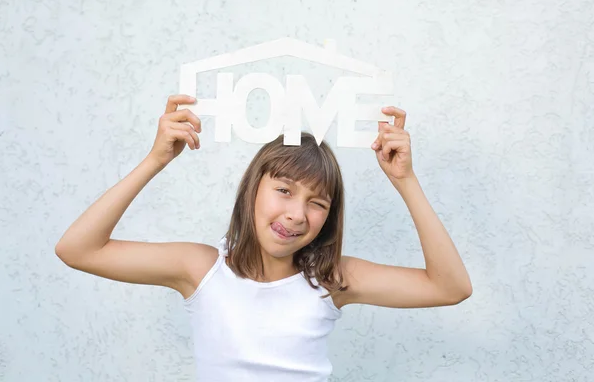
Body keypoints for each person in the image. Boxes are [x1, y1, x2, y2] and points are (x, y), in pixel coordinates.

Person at [56, 94, 472, 382]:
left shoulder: (330, 279)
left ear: (328, 218)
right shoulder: (200, 269)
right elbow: (77, 249)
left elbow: (450, 287)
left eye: (317, 203)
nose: (296, 213)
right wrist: (156, 160)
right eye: (285, 190)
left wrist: (406, 181)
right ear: (253, 188)